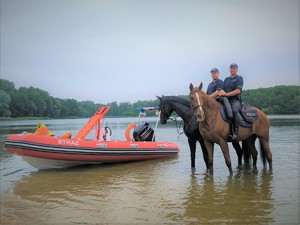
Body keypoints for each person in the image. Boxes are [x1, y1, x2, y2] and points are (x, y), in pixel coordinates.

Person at [219, 63, 244, 141]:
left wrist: (226, 94)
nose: (232, 69)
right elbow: (222, 89)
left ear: (237, 69)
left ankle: (235, 131)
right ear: (229, 69)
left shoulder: (239, 78)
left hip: (235, 100)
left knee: (234, 111)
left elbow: (238, 91)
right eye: (231, 68)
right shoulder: (226, 79)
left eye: (234, 68)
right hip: (226, 100)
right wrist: (222, 92)